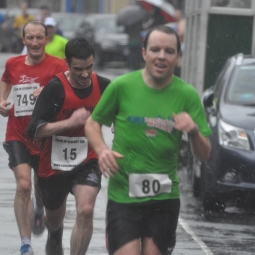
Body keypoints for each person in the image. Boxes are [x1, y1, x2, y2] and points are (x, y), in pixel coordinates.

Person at [85, 25, 212, 255]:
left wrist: (193, 131)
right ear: (144, 53)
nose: (161, 56)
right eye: (155, 49)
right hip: (123, 194)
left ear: (178, 57)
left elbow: (204, 154)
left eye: (169, 51)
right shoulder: (122, 87)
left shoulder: (187, 95)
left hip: (164, 198)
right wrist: (102, 150)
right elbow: (92, 124)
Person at [27, 38, 111, 255]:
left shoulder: (103, 85)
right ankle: (55, 231)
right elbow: (34, 130)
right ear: (66, 63)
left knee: (86, 210)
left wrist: (119, 126)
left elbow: (121, 112)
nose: (84, 74)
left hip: (88, 158)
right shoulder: (54, 89)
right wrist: (68, 123)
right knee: (54, 220)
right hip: (53, 162)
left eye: (89, 67)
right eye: (78, 69)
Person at [0, 20, 68, 255]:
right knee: (23, 185)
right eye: (31, 38)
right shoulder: (13, 63)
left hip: (45, 136)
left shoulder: (59, 65)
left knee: (40, 186)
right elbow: (6, 79)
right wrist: (1, 101)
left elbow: (68, 93)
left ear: (47, 39)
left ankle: (39, 207)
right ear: (24, 40)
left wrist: (49, 91)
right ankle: (25, 244)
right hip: (18, 132)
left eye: (40, 37)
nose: (35, 42)